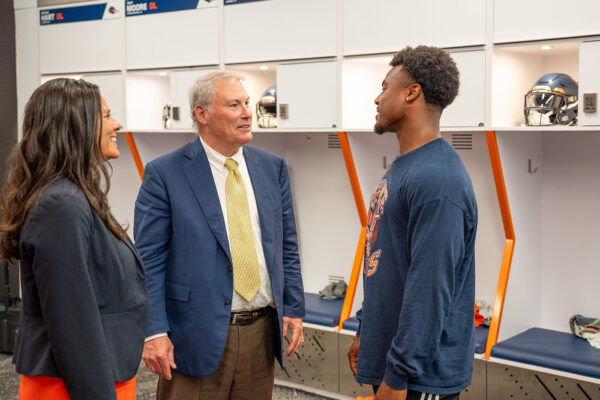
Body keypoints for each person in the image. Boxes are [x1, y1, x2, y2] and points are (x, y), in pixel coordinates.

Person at [134, 71, 305, 399]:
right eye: (234, 105)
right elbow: (148, 262)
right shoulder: (164, 174)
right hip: (193, 335)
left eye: (247, 103)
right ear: (202, 114)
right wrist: (154, 331)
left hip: (259, 331)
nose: (246, 113)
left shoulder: (273, 168)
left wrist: (294, 307)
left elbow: (287, 245)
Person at [0, 78, 148, 400]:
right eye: (107, 116)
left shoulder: (75, 195)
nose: (117, 124)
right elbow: (73, 325)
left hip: (101, 374)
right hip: (74, 385)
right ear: (76, 126)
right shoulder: (60, 205)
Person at [347, 46, 478, 400]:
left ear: (411, 92)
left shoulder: (439, 180)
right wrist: (366, 329)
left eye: (385, 87)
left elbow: (430, 288)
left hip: (418, 377)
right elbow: (389, 263)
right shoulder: (408, 166)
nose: (377, 97)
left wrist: (398, 378)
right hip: (391, 357)